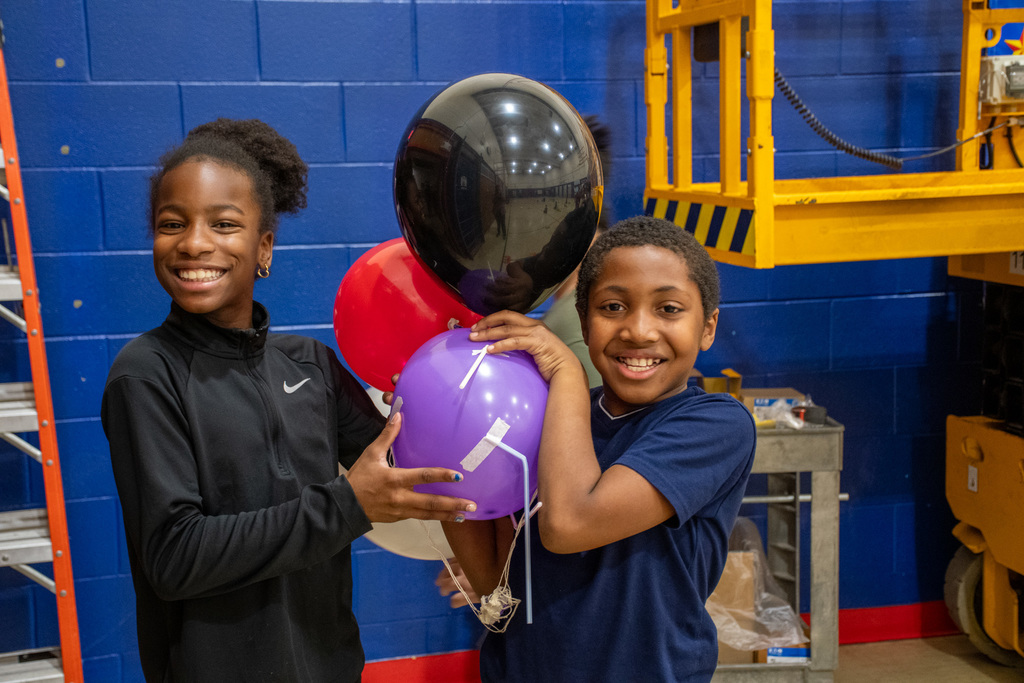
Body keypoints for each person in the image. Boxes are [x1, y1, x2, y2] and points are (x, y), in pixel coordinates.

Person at [100, 118, 476, 683]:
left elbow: (411, 463)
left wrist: (471, 353)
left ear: (264, 246)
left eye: (224, 224)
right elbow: (175, 559)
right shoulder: (145, 374)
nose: (195, 242)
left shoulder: (311, 365)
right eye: (171, 223)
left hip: (331, 668)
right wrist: (348, 505)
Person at [442, 215, 757, 682]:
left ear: (708, 327)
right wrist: (440, 430)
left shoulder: (716, 425)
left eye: (669, 309)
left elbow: (569, 524)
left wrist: (565, 372)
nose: (639, 331)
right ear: (585, 323)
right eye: (612, 307)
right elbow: (497, 584)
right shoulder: (548, 422)